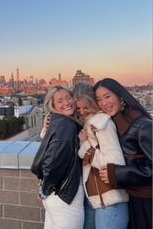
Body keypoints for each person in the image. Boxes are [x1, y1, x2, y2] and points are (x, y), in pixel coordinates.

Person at [94, 78, 152, 229]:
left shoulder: (143, 125)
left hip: (146, 201)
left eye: (107, 96)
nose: (104, 103)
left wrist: (117, 173)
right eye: (99, 99)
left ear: (120, 96)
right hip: (130, 197)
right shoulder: (111, 124)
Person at [72, 82, 129, 229]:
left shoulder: (101, 123)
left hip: (110, 200)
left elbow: (114, 162)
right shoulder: (89, 123)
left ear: (94, 103)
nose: (82, 111)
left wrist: (85, 147)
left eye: (86, 107)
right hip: (98, 198)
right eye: (78, 108)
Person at [31, 85, 84, 229]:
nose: (66, 102)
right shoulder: (66, 125)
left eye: (68, 98)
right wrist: (45, 188)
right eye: (60, 101)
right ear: (53, 105)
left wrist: (44, 187)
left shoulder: (58, 122)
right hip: (64, 196)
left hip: (55, 195)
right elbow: (52, 162)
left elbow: (49, 150)